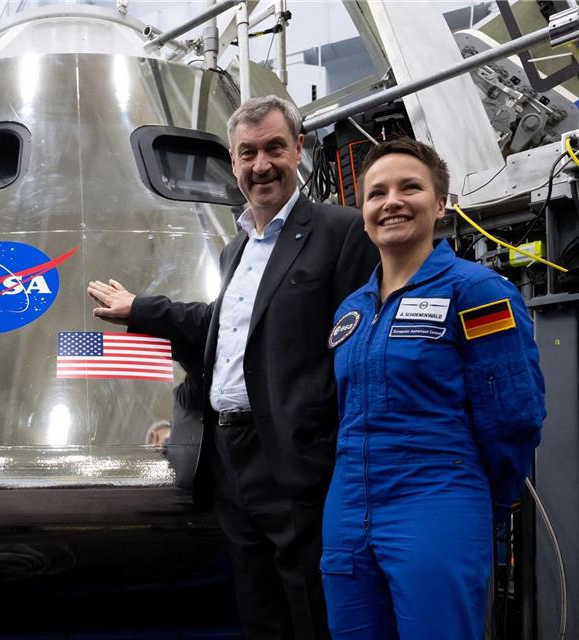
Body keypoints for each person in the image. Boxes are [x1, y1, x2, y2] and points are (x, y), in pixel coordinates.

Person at [87, 95, 378, 640]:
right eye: (247, 153)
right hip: (229, 457)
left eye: (273, 149)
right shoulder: (238, 247)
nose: (260, 165)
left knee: (311, 610)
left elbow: (360, 352)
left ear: (299, 150)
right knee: (258, 611)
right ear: (233, 160)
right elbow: (222, 328)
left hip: (296, 459)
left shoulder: (342, 232)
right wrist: (142, 310)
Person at [321, 138, 545, 639]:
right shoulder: (351, 311)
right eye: (377, 193)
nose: (392, 201)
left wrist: (492, 499)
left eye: (411, 187)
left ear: (439, 202)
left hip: (436, 501)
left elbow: (514, 413)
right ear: (362, 212)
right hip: (347, 509)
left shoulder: (477, 292)